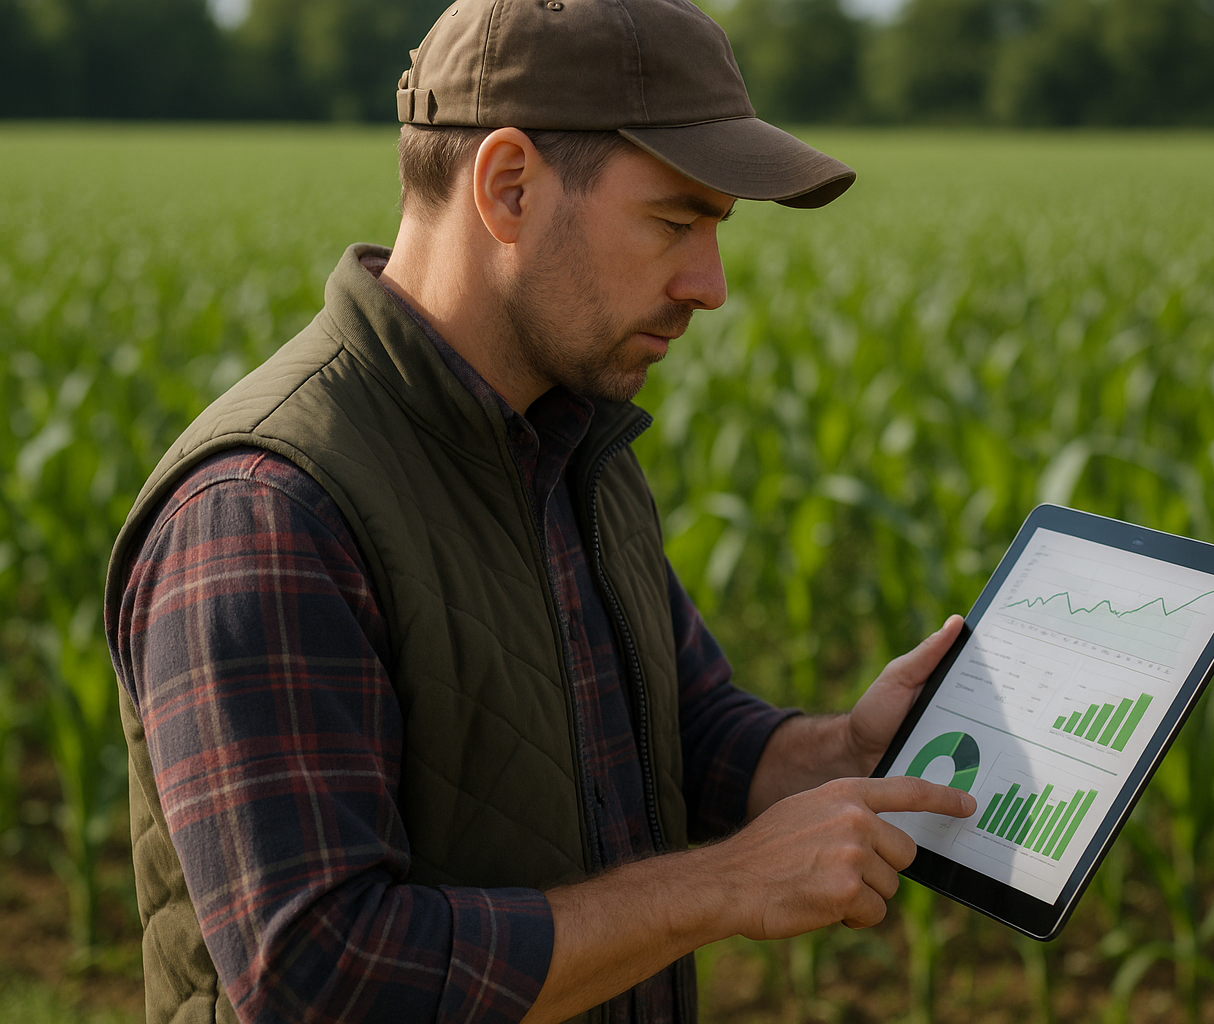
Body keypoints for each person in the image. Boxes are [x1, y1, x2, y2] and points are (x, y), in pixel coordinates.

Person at [103, 1, 976, 1022]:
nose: (711, 284)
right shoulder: (265, 510)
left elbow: (680, 736)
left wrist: (840, 751)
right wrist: (724, 884)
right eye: (675, 219)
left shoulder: (572, 442)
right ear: (508, 186)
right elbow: (328, 977)